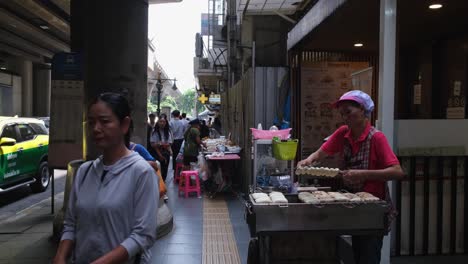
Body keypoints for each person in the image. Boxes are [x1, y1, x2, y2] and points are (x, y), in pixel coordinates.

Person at [298, 90, 404, 264]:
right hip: (353, 207)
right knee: (356, 254)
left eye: (349, 112)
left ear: (362, 110)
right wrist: (308, 160)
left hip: (373, 210)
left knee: (368, 255)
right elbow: (321, 152)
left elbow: (397, 172)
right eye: (342, 114)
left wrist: (362, 174)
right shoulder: (343, 133)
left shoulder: (377, 138)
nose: (345, 117)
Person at [54, 93, 158, 264]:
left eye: (104, 121)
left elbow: (143, 235)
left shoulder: (141, 172)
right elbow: (71, 223)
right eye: (91, 122)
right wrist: (60, 255)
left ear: (124, 125)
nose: (96, 128)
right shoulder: (84, 172)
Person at [151, 115, 173, 181]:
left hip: (166, 152)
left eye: (164, 122)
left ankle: (163, 183)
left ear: (166, 123)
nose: (162, 123)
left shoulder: (168, 132)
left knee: (165, 169)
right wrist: (160, 154)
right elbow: (153, 144)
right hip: (157, 153)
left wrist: (170, 150)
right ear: (158, 122)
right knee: (158, 169)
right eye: (161, 121)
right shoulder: (154, 131)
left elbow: (169, 143)